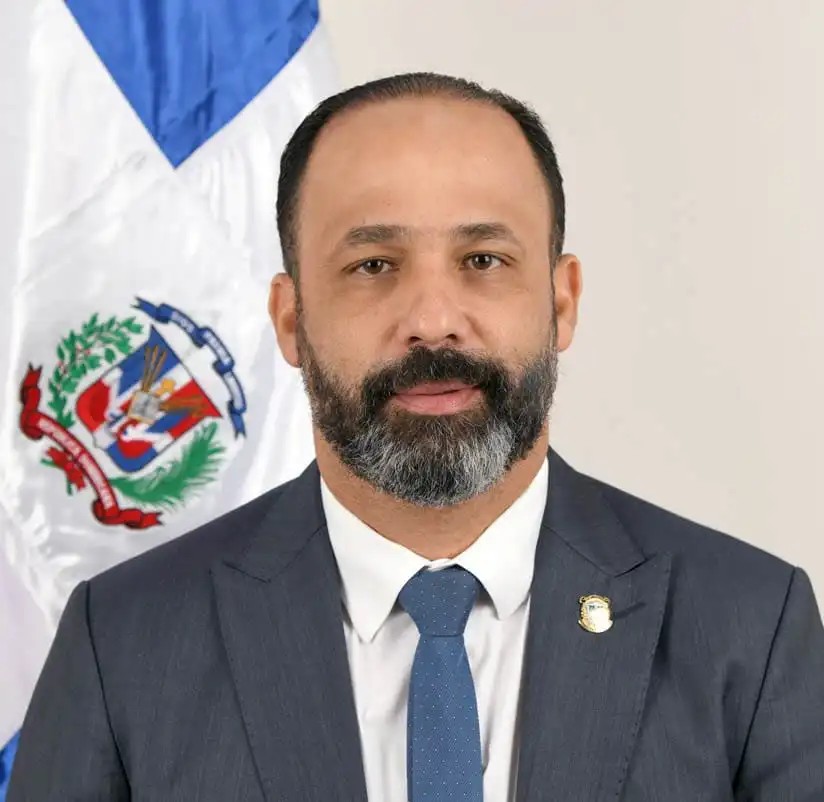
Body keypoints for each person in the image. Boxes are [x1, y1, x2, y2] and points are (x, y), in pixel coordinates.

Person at [9, 73, 824, 802]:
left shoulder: (748, 627)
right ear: (290, 320)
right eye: (374, 265)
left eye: (483, 259)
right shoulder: (123, 643)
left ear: (562, 301)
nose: (433, 321)